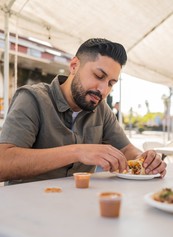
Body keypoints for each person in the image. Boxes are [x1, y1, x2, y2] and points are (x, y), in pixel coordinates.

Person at [0, 38, 166, 184]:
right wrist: (78, 151)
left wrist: (144, 159)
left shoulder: (102, 109)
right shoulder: (32, 98)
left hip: (81, 207)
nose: (103, 90)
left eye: (111, 83)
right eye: (99, 76)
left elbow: (125, 149)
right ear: (74, 66)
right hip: (26, 208)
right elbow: (3, 164)